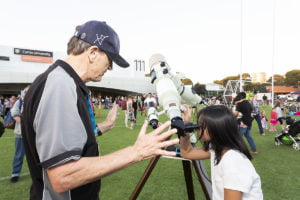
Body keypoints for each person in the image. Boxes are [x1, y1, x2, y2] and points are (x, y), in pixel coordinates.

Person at [21, 20, 179, 200]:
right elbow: (62, 176)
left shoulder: (65, 82)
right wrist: (136, 151)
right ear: (93, 52)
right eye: (110, 60)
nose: (110, 68)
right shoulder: (60, 85)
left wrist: (103, 126)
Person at [180, 105, 263, 200]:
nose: (197, 127)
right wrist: (185, 125)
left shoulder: (232, 161)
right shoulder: (217, 150)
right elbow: (186, 152)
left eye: (201, 124)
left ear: (217, 127)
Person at [10, 86, 29, 183]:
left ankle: (39, 173)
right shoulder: (19, 102)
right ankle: (15, 174)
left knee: (36, 156)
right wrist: (28, 122)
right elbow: (15, 115)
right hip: (20, 134)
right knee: (19, 155)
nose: (27, 94)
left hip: (33, 135)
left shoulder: (36, 101)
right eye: (26, 92)